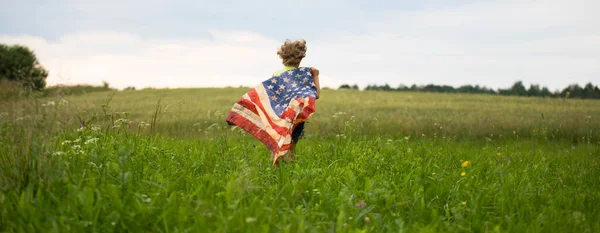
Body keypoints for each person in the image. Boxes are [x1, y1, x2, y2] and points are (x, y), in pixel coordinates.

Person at [272, 39, 321, 164]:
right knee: (293, 142)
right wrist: (315, 75)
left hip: (280, 115)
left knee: (279, 140)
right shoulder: (303, 75)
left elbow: (273, 96)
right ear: (300, 58)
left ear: (282, 57)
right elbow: (316, 95)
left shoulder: (276, 74)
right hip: (296, 116)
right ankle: (292, 166)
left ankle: (276, 164)